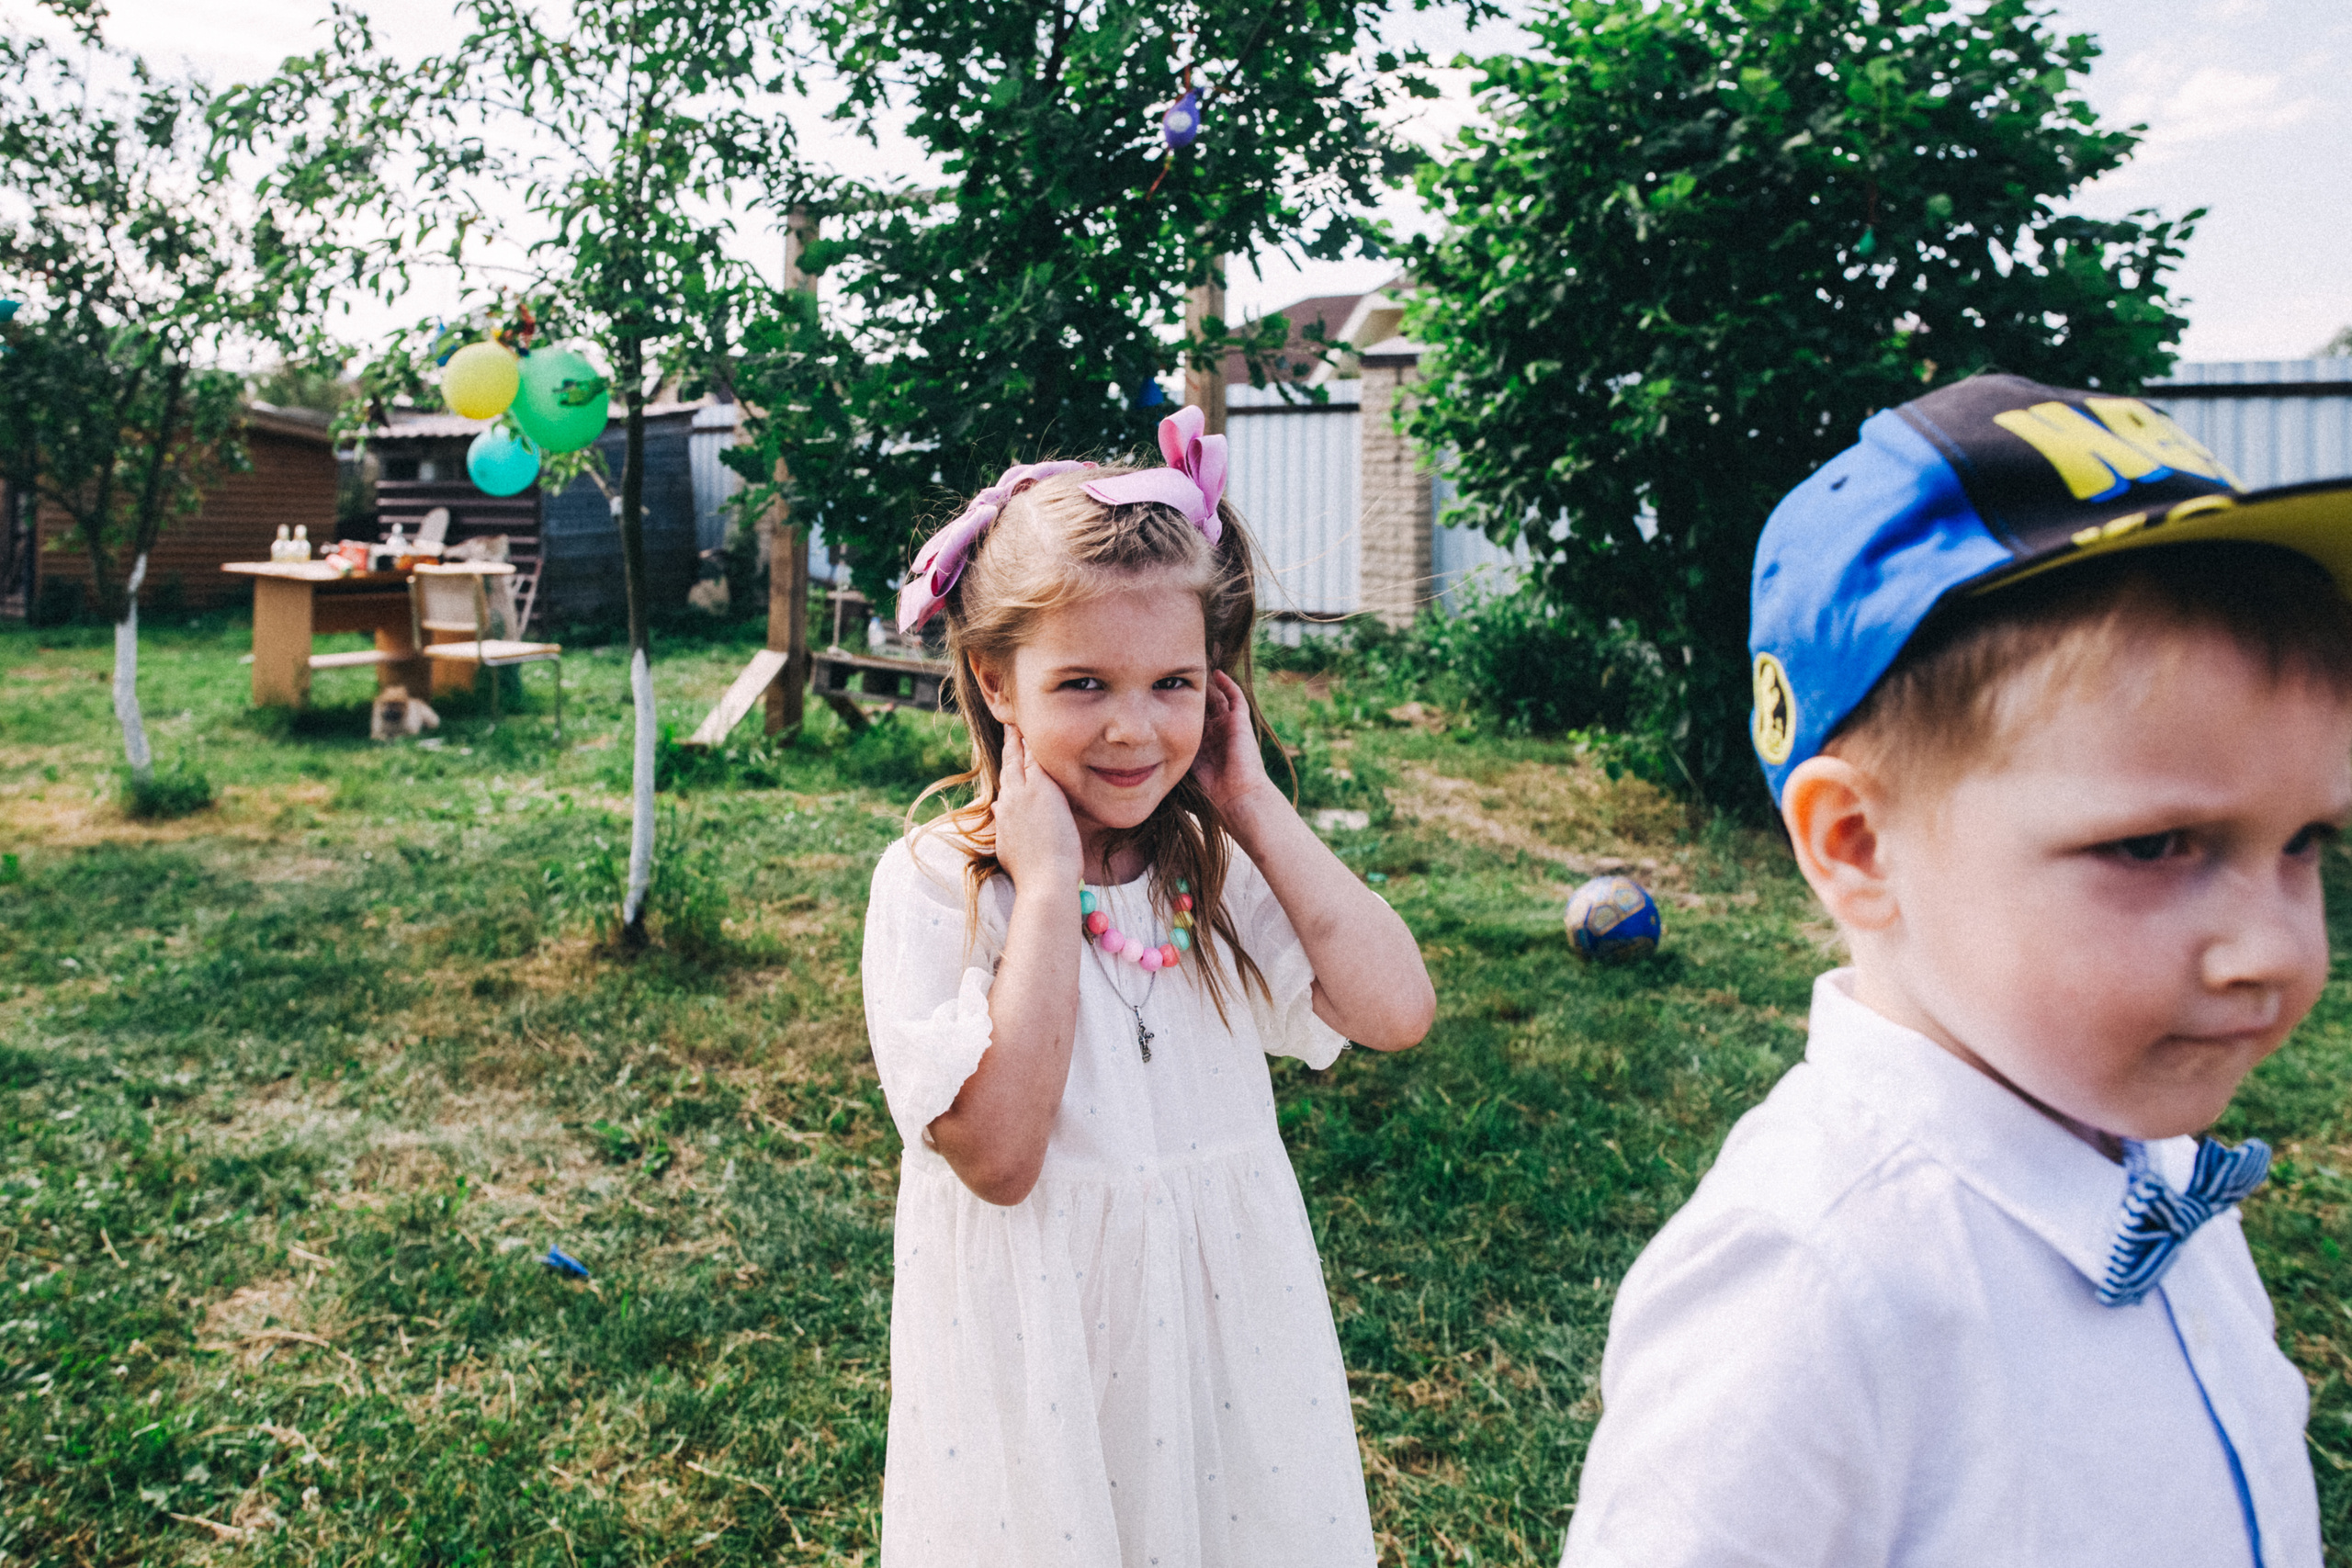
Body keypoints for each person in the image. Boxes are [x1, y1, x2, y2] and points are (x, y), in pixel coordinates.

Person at [1562, 374, 2352, 1567]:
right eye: (2152, 844)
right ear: (1861, 846)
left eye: (2306, 843)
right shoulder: (1805, 1287)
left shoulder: (2165, 1173)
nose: (2282, 948)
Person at [861, 407, 1435, 1568]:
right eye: (1082, 684)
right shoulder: (939, 886)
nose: (1134, 728)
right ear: (996, 680)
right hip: (1046, 1355)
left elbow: (1395, 1012)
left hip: (1225, 1342)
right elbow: (1002, 1157)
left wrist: (1255, 804)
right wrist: (1048, 880)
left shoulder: (1208, 867)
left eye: (1173, 682)